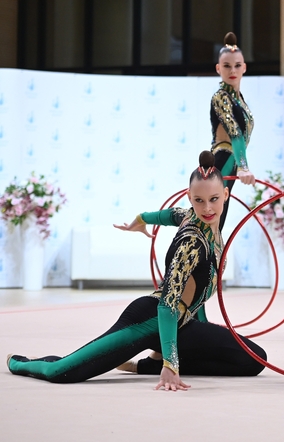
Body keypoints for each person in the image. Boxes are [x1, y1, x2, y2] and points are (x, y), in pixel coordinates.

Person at [6, 151, 267, 390]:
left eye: (213, 199)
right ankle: (20, 362)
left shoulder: (196, 219)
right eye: (199, 200)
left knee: (254, 361)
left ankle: (146, 365)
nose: (207, 208)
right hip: (149, 320)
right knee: (62, 372)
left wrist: (140, 220)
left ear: (226, 195)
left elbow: (164, 216)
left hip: (182, 324)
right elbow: (167, 306)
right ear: (190, 197)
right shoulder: (192, 241)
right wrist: (171, 364)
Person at [211, 32, 256, 230]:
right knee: (211, 220)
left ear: (244, 67)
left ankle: (213, 258)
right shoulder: (221, 97)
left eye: (237, 65)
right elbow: (235, 134)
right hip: (223, 160)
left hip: (232, 161)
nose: (233, 70)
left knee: (217, 220)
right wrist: (243, 166)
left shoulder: (240, 100)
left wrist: (241, 165)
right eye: (227, 66)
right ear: (218, 69)